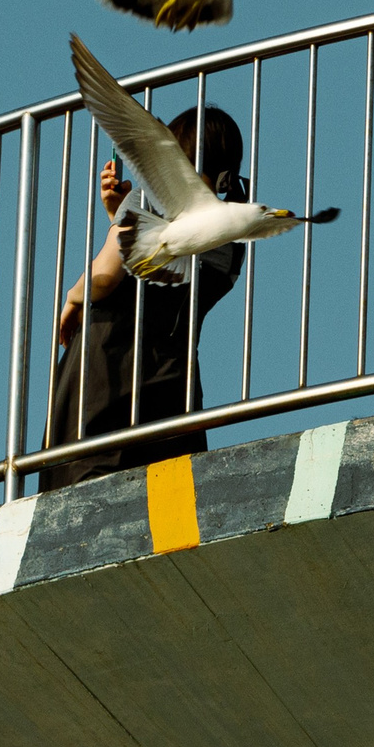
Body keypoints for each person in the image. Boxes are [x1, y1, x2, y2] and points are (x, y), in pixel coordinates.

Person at [40, 104, 247, 491]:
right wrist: (123, 214)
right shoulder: (231, 231)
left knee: (81, 496)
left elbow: (105, 274)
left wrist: (73, 297)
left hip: (108, 374)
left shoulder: (151, 200)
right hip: (172, 388)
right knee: (161, 499)